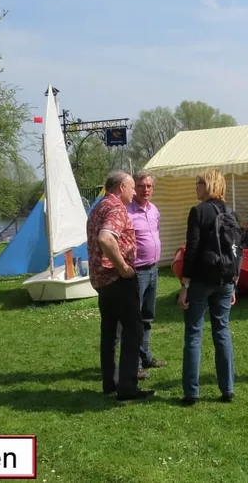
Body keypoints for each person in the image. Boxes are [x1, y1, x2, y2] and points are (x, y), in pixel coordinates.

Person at [87, 171, 154, 401]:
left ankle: (110, 381)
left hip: (101, 281)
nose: (135, 192)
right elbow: (106, 238)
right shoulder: (116, 208)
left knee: (109, 331)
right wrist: (124, 267)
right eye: (132, 187)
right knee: (133, 330)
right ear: (121, 187)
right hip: (117, 279)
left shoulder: (98, 207)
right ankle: (127, 387)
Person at [178, 169, 241, 405]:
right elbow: (238, 250)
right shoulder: (231, 212)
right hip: (225, 280)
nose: (196, 187)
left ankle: (191, 392)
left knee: (194, 333)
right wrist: (234, 281)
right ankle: (228, 388)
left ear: (209, 185)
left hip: (201, 280)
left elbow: (192, 249)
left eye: (199, 183)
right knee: (222, 332)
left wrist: (185, 283)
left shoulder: (198, 212)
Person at [127, 170, 167, 371]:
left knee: (147, 317)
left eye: (149, 186)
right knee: (134, 319)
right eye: (141, 186)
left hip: (153, 269)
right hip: (137, 271)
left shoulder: (153, 210)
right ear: (134, 188)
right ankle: (134, 364)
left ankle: (145, 357)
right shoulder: (127, 211)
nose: (145, 190)